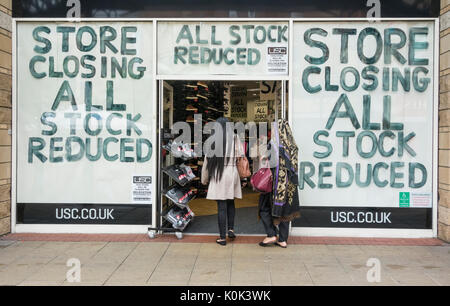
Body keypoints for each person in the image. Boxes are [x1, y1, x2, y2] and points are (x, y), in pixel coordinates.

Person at [258, 119, 300, 248]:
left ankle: (271, 234)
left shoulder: (274, 145)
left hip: (274, 184)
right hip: (289, 185)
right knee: (285, 211)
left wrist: (263, 156)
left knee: (263, 207)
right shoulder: (292, 145)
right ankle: (282, 239)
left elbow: (267, 161)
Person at [201, 117, 243, 246]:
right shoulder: (235, 138)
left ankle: (222, 237)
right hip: (232, 172)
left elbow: (207, 162)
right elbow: (240, 156)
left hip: (219, 174)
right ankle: (231, 229)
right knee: (231, 202)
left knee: (221, 206)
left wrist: (205, 178)